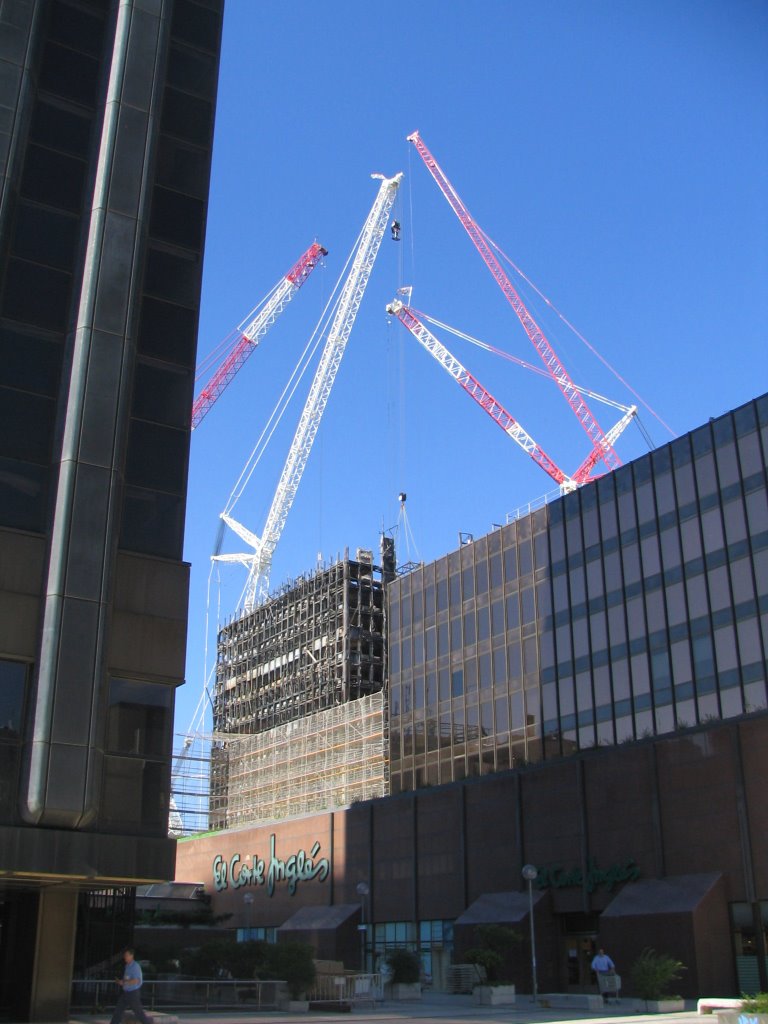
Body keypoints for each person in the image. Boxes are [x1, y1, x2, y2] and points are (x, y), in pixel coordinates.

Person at [110, 948, 152, 1024]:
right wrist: (121, 982)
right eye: (124, 955)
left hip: (133, 993)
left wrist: (125, 982)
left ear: (131, 956)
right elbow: (127, 979)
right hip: (126, 993)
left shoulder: (135, 966)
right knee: (118, 1011)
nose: (125, 957)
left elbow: (136, 980)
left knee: (139, 1014)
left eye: (126, 955)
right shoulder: (127, 966)